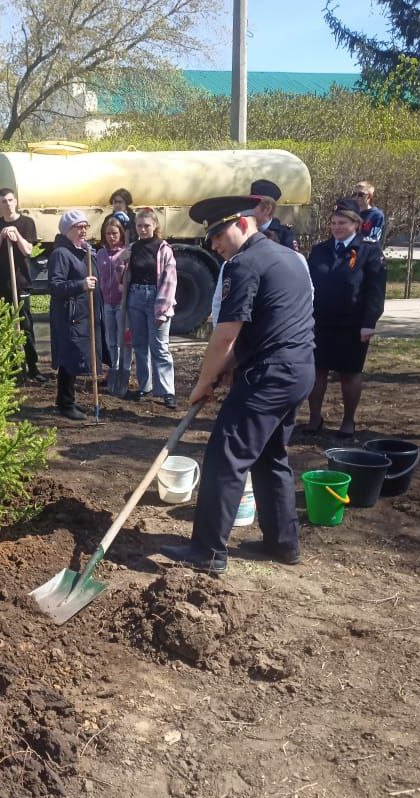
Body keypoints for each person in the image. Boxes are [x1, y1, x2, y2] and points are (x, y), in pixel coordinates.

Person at [162, 195, 315, 575]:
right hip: (299, 371)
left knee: (225, 458)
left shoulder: (243, 264)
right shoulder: (289, 258)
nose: (214, 245)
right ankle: (283, 544)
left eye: (218, 234)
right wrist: (229, 367)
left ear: (243, 224)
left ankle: (208, 551)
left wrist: (203, 381)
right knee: (271, 457)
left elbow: (225, 335)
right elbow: (269, 325)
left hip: (268, 378)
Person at [302, 198, 387, 438]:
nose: (336, 227)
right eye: (333, 223)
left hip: (353, 324)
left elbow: (375, 292)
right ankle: (314, 417)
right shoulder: (320, 250)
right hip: (320, 321)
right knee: (317, 371)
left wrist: (369, 323)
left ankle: (348, 421)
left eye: (342, 222)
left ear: (356, 224)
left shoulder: (368, 251)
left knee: (349, 373)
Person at [0, 187, 43, 381]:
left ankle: (32, 366)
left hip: (21, 282)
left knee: (25, 326)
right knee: (5, 327)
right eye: (4, 201)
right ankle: (12, 366)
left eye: (10, 200)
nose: (8, 204)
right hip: (1, 283)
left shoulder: (27, 223)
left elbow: (28, 250)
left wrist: (16, 235)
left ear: (16, 201)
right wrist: (1, 238)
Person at [48, 210, 99, 421]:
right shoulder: (61, 253)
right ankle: (65, 403)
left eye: (85, 226)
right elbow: (55, 285)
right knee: (69, 356)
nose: (84, 230)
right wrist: (81, 284)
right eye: (79, 227)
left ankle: (66, 399)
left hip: (82, 313)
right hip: (68, 314)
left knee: (75, 355)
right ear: (67, 230)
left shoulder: (83, 251)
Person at [125, 209, 177, 408]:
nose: (143, 229)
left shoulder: (163, 249)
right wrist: (123, 261)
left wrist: (162, 310)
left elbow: (169, 280)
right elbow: (123, 274)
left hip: (156, 297)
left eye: (147, 225)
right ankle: (144, 386)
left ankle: (166, 391)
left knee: (160, 346)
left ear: (155, 226)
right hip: (136, 298)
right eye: (139, 226)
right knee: (139, 345)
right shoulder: (133, 248)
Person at [96, 215, 129, 393]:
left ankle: (124, 374)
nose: (111, 237)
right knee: (110, 341)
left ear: (121, 234)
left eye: (115, 233)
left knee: (123, 340)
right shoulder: (100, 254)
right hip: (107, 303)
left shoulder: (125, 252)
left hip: (122, 303)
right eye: (108, 233)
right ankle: (113, 371)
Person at [250, 179, 299, 252]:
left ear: (267, 209)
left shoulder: (284, 235)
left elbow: (292, 261)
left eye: (253, 205)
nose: (248, 209)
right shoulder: (246, 230)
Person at [351, 181, 385, 245]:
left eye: (361, 195)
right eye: (354, 194)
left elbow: (374, 239)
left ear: (369, 196)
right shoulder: (349, 213)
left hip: (367, 252)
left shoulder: (377, 215)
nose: (356, 197)